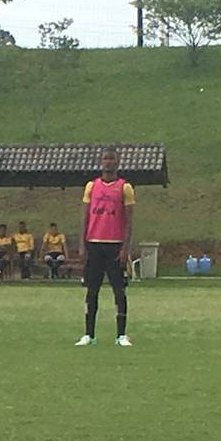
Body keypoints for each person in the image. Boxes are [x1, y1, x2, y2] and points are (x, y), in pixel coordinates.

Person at [76, 148, 134, 346]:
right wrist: (82, 243)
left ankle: (121, 335)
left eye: (112, 159)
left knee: (119, 290)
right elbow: (85, 216)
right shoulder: (92, 186)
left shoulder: (124, 187)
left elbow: (128, 220)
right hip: (94, 243)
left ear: (117, 163)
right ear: (101, 162)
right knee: (92, 290)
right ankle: (89, 334)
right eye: (105, 159)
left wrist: (125, 247)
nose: (108, 162)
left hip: (115, 245)